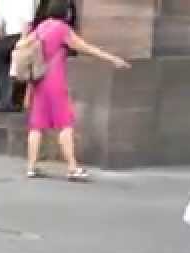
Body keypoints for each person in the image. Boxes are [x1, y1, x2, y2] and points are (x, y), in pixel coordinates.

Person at [21, 0, 128, 181]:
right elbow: (86, 48)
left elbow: (28, 53)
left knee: (37, 125)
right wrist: (112, 59)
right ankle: (72, 167)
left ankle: (31, 167)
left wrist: (27, 89)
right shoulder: (62, 29)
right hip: (55, 80)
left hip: (38, 80)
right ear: (65, 11)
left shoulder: (40, 27)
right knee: (65, 123)